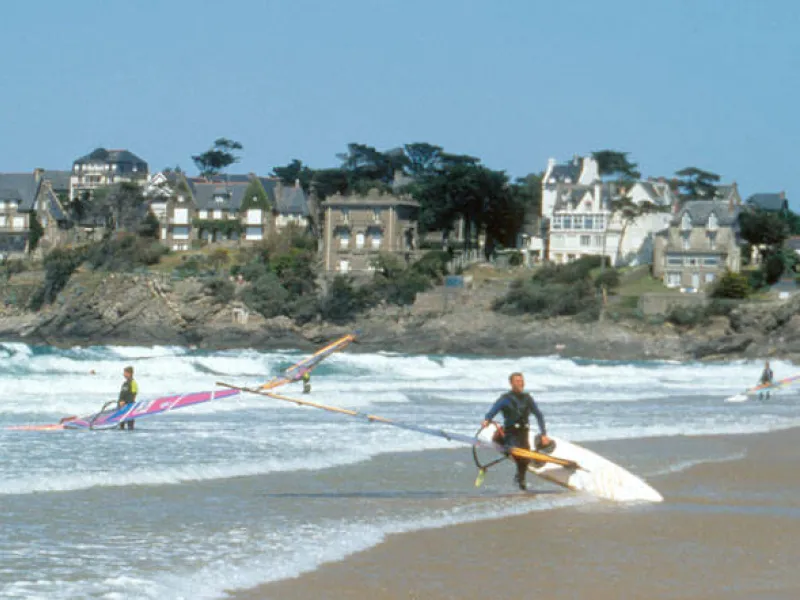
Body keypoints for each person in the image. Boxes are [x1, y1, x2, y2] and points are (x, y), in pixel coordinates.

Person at [482, 372, 552, 491]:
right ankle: (502, 443)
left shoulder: (527, 398)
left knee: (525, 459)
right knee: (517, 453)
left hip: (523, 433)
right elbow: (493, 410)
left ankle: (520, 479)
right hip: (511, 433)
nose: (520, 383)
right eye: (517, 381)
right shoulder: (505, 399)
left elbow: (539, 415)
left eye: (522, 381)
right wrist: (487, 419)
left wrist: (544, 434)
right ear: (511, 383)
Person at [118, 366, 138, 430]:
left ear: (129, 373)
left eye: (125, 373)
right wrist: (120, 402)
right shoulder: (125, 383)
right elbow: (122, 394)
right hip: (122, 406)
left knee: (130, 426)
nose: (123, 374)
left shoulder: (133, 383)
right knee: (121, 426)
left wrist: (129, 404)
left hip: (128, 405)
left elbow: (134, 394)